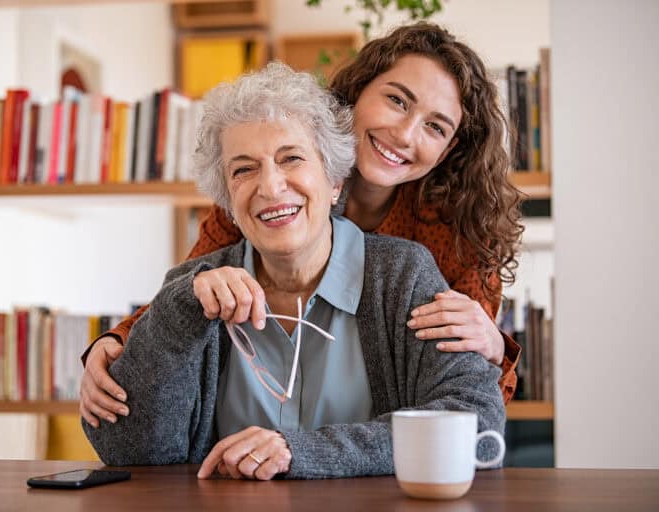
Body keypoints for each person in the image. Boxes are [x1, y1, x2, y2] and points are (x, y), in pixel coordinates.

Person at [79, 21, 524, 428]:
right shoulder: (267, 193)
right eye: (396, 100)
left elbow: (469, 404)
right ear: (356, 93)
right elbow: (195, 289)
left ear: (447, 150)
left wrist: (495, 347)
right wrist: (116, 341)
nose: (406, 134)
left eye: (435, 127)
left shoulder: (462, 230)